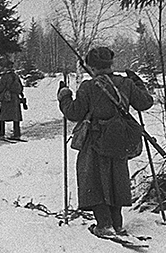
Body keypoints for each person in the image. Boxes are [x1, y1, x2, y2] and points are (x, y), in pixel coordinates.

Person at [57, 47, 153, 239]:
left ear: (91, 66)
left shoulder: (88, 87)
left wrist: (64, 96)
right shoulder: (125, 83)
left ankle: (104, 224)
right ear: (110, 64)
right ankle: (117, 224)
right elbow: (145, 103)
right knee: (117, 178)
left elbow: (74, 113)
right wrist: (138, 83)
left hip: (95, 140)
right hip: (119, 139)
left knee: (93, 179)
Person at [0, 59, 26, 140]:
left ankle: (1, 133)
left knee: (2, 116)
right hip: (16, 98)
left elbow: (0, 87)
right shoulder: (15, 76)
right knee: (16, 117)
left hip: (7, 98)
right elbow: (21, 87)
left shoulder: (5, 76)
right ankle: (17, 133)